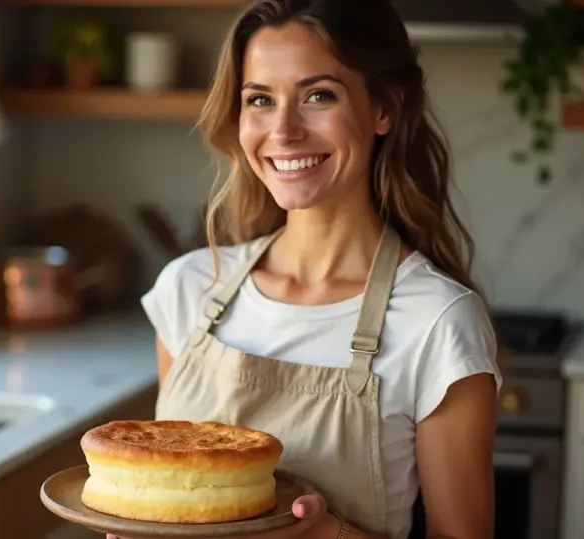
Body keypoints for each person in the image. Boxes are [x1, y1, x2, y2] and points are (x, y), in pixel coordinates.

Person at [119, 1, 502, 538]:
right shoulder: (189, 289)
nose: (283, 130)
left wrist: (328, 535)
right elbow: (171, 501)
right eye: (260, 100)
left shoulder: (436, 321)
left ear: (385, 107)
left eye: (318, 95)